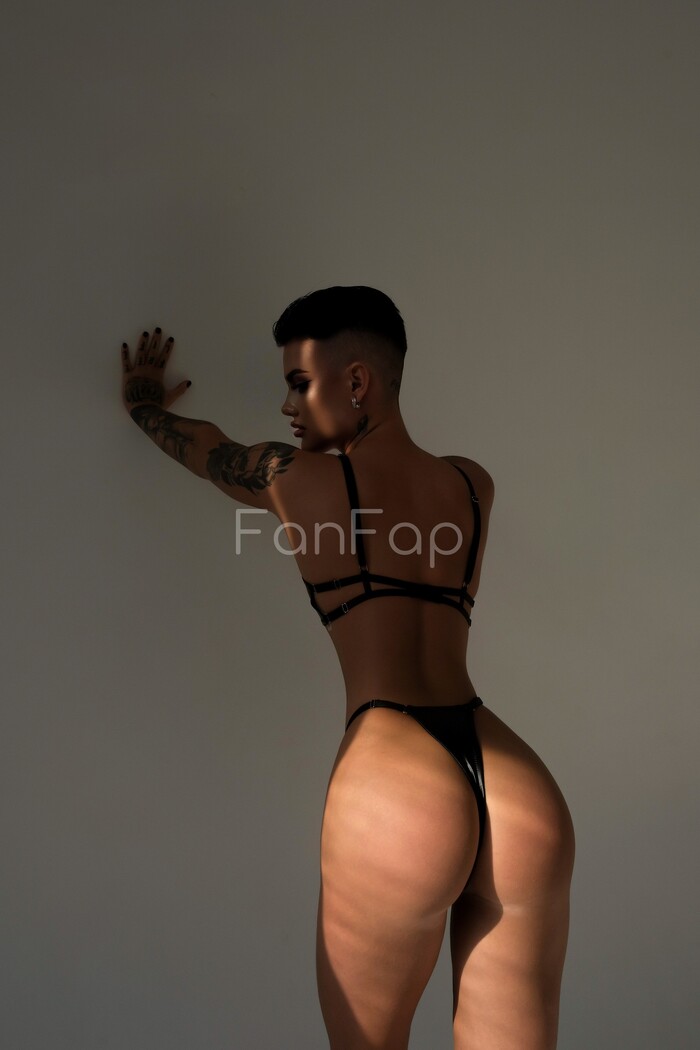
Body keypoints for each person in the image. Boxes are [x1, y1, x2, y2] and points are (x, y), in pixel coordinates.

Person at [120, 286, 575, 1050]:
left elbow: (206, 448)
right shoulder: (472, 485)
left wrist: (142, 405)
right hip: (515, 783)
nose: (287, 407)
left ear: (357, 381)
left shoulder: (298, 480)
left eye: (299, 383)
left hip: (396, 783)